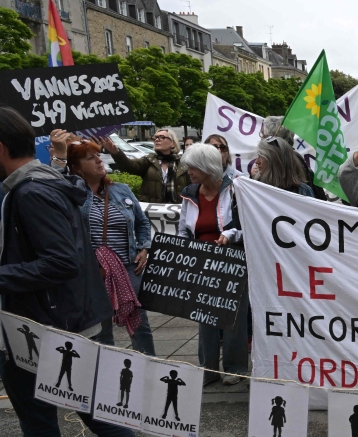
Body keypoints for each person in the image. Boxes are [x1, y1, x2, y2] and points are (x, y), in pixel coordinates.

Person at [0, 107, 167, 437]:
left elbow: (60, 262)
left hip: (45, 324)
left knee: (42, 414)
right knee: (93, 405)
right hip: (69, 317)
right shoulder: (48, 181)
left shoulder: (31, 192)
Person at [67, 139, 155, 355]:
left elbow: (142, 222)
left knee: (140, 324)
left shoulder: (121, 190)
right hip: (96, 272)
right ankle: (106, 372)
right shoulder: (73, 195)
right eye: (91, 158)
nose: (99, 160)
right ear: (77, 167)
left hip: (129, 268)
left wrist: (144, 248)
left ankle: (150, 367)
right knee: (101, 327)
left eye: (98, 155)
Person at [178, 143, 248, 386]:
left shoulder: (235, 190)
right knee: (204, 316)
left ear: (208, 167)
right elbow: (184, 228)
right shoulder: (189, 192)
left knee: (233, 318)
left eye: (194, 166)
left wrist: (230, 235)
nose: (189, 170)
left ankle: (235, 368)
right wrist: (182, 248)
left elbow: (245, 225)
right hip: (201, 263)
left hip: (231, 260)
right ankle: (207, 369)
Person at [100, 129, 187, 203]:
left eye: (162, 137)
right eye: (155, 137)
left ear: (173, 143)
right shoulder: (149, 160)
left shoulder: (183, 164)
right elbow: (129, 166)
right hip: (153, 212)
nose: (157, 140)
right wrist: (115, 152)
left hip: (177, 212)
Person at [260, 116, 327, 200]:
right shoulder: (296, 160)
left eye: (263, 135)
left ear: (272, 138)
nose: (261, 139)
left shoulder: (290, 163)